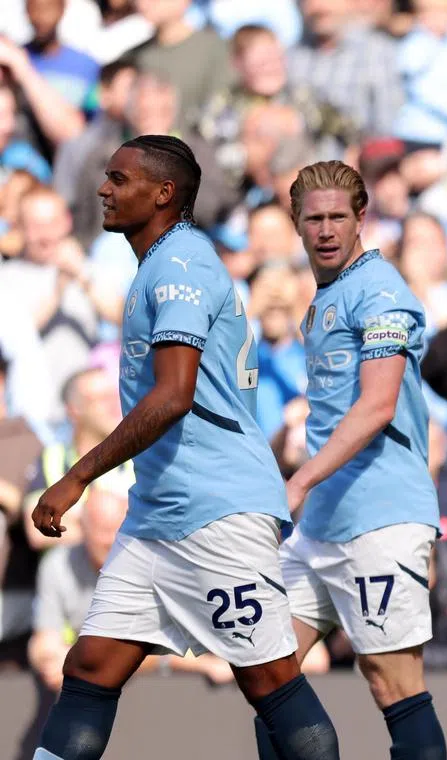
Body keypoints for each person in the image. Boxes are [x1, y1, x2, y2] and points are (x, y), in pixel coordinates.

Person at [28, 134, 339, 760]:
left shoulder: (182, 265)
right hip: (160, 512)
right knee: (89, 667)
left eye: (119, 179)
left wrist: (78, 477)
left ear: (164, 193)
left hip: (216, 507)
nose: (103, 189)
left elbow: (173, 395)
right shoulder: (161, 265)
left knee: (270, 680)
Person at [259, 160, 447, 760]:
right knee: (268, 672)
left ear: (361, 218)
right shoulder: (323, 299)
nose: (326, 229)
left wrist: (301, 479)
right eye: (313, 218)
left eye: (339, 216)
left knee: (391, 680)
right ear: (295, 223)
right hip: (322, 523)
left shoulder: (382, 293)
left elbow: (377, 406)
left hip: (381, 516)